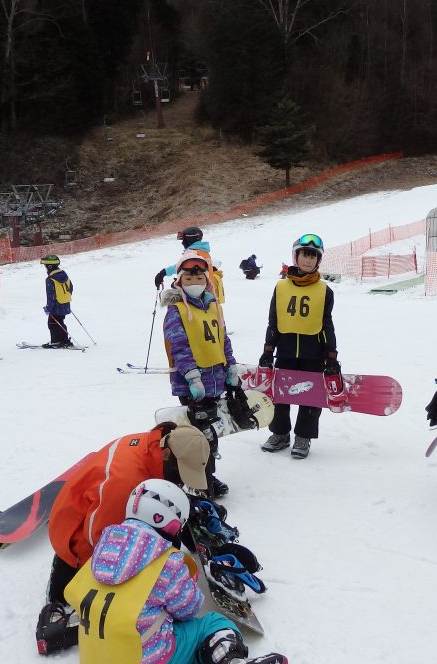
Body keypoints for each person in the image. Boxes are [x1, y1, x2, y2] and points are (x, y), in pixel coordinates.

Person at [63, 478, 287, 664]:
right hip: (145, 657)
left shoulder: (103, 546)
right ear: (170, 521)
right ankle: (229, 660)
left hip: (97, 656)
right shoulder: (166, 561)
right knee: (212, 623)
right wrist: (187, 581)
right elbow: (188, 610)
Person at [37, 423, 212, 653]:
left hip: (83, 512)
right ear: (167, 453)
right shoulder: (126, 483)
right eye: (180, 473)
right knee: (124, 606)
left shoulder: (152, 445)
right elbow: (102, 543)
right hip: (76, 539)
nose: (181, 481)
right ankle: (66, 622)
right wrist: (161, 567)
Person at [161, 250, 239, 498]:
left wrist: (231, 366)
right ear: (179, 281)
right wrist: (193, 377)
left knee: (210, 433)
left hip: (215, 381)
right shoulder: (176, 310)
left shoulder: (212, 305)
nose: (194, 284)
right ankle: (196, 482)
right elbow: (179, 345)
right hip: (193, 384)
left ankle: (207, 477)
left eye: (198, 279)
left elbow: (222, 338)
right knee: (198, 435)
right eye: (188, 279)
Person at [259, 234, 338, 460]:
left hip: (313, 352)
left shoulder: (325, 291)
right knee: (280, 394)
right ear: (296, 256)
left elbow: (327, 324)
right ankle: (280, 433)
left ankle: (303, 436)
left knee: (310, 397)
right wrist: (267, 351)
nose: (308, 259)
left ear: (318, 260)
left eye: (313, 255)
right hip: (284, 351)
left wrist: (331, 355)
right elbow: (273, 320)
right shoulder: (281, 287)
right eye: (305, 254)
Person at [154, 227, 225, 304]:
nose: (182, 243)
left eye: (184, 240)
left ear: (189, 240)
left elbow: (182, 266)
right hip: (207, 292)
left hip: (196, 293)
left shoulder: (193, 253)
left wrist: (163, 272)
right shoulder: (203, 252)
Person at [41, 254, 74, 348]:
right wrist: (65, 297)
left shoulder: (50, 279)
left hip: (56, 305)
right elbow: (70, 287)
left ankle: (56, 341)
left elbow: (51, 296)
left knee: (52, 323)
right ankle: (64, 339)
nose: (45, 268)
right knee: (60, 321)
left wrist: (48, 308)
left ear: (49, 266)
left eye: (45, 266)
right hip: (65, 302)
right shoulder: (64, 275)